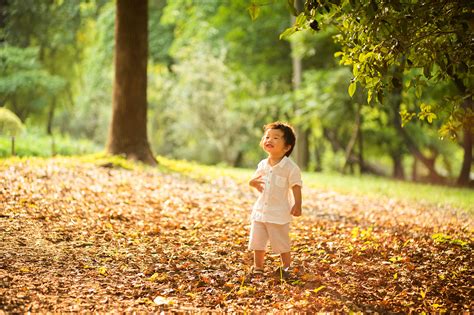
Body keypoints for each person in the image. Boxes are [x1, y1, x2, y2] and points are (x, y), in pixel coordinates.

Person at [248, 121, 302, 279]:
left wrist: (297, 204)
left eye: (276, 138)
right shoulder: (263, 164)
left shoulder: (290, 168)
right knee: (258, 241)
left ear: (287, 147)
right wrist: (252, 182)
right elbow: (254, 178)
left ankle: (287, 267)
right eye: (267, 136)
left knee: (281, 242)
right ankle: (258, 266)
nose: (269, 140)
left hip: (278, 213)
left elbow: (296, 186)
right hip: (260, 211)